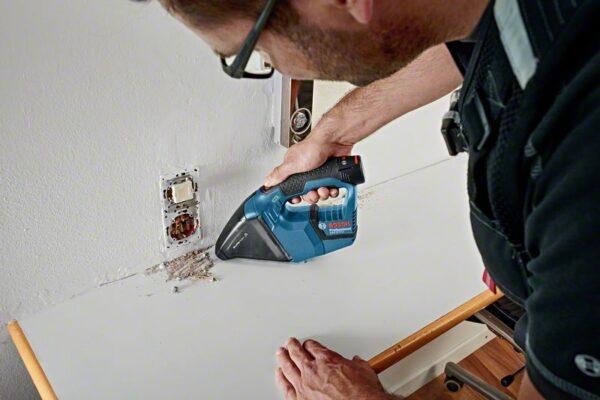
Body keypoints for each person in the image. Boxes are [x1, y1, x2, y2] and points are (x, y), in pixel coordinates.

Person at [133, 1, 600, 399]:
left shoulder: (581, 179)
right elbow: (465, 48)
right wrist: (333, 132)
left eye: (257, 52)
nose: (278, 67)